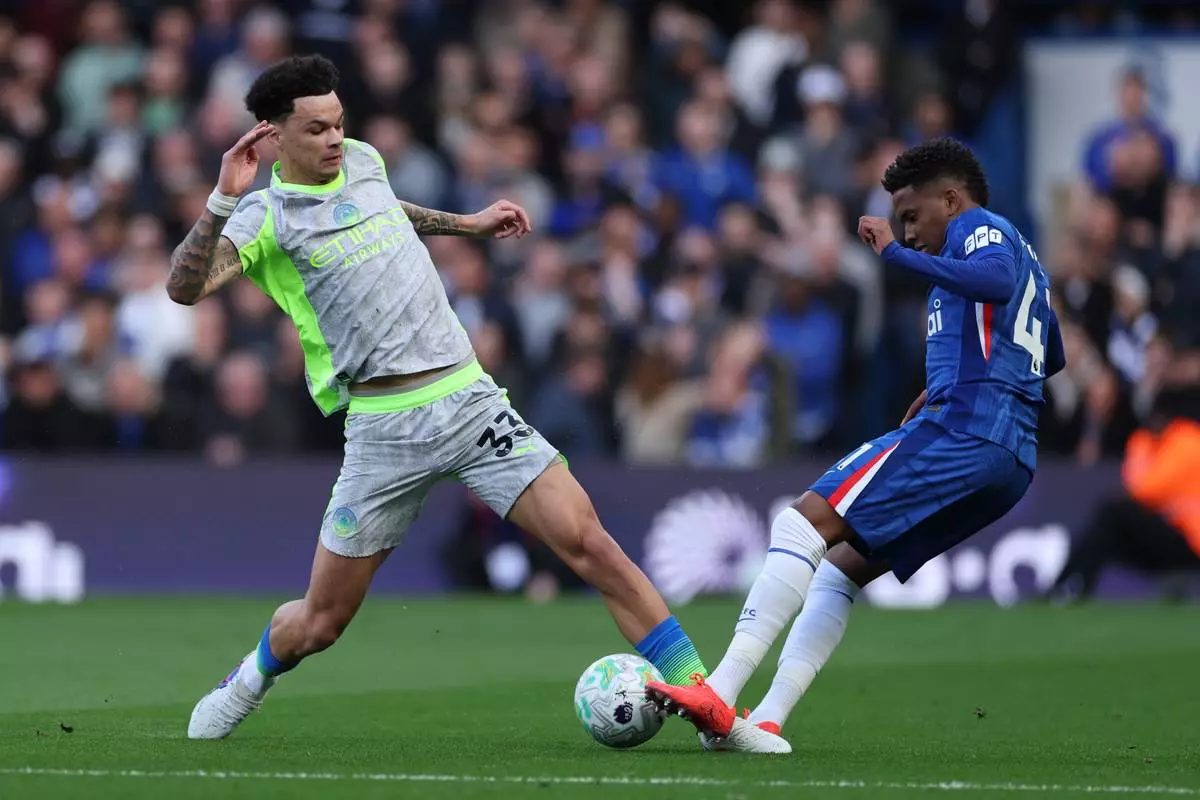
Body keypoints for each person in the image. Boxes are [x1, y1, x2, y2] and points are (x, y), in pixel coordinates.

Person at [174, 55, 787, 754]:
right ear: (272, 136)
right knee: (321, 622)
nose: (336, 138)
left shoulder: (365, 161)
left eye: (339, 122)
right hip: (383, 430)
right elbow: (185, 288)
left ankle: (709, 707)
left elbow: (386, 212)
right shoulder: (263, 216)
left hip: (468, 401)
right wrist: (221, 200)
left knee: (590, 543)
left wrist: (467, 225)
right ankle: (249, 678)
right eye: (316, 129)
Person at [647, 138, 1066, 751]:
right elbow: (1049, 353)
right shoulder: (1027, 263)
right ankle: (766, 722)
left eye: (913, 215)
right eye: (900, 222)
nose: (909, 232)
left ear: (952, 200)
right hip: (1009, 458)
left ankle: (719, 691)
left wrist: (895, 255)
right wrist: (955, 380)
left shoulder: (981, 231)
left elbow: (997, 282)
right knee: (842, 568)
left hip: (966, 430)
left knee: (802, 523)